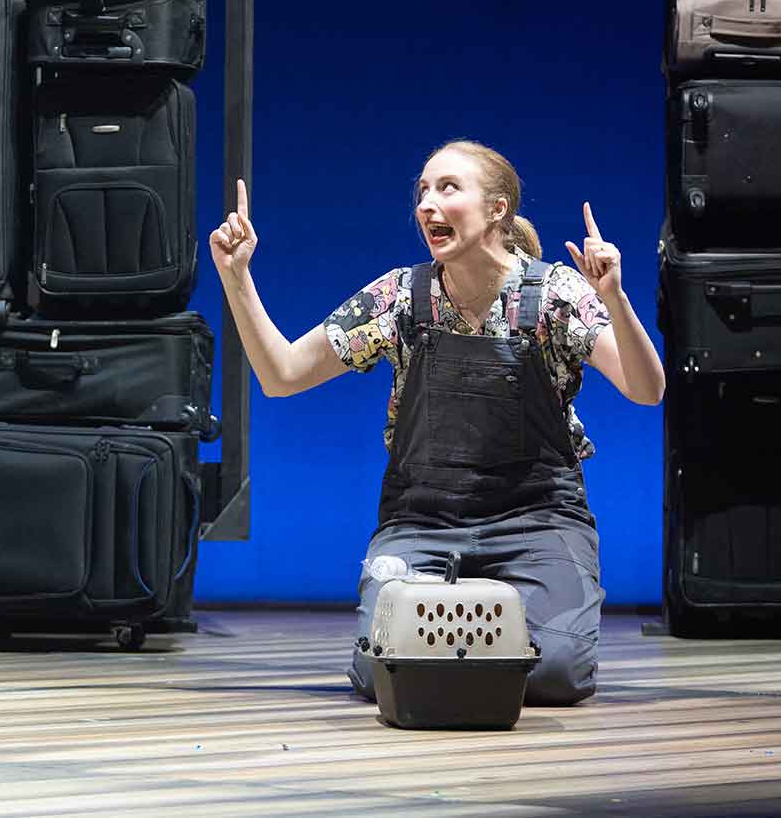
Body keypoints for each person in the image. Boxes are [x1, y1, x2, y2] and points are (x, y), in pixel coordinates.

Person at [208, 140, 665, 705]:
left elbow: (647, 390)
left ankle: (519, 601)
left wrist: (614, 297)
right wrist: (235, 277)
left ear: (497, 208)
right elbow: (282, 374)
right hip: (423, 520)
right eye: (423, 190)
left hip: (537, 519)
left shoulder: (554, 294)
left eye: (448, 188)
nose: (427, 203)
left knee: (553, 673)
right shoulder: (401, 296)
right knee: (386, 670)